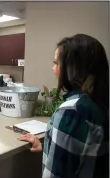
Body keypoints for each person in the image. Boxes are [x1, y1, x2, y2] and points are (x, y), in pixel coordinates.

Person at [20, 34, 109, 178]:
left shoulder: (72, 113)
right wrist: (45, 146)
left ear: (72, 68)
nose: (53, 68)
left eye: (56, 63)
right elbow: (85, 154)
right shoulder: (99, 104)